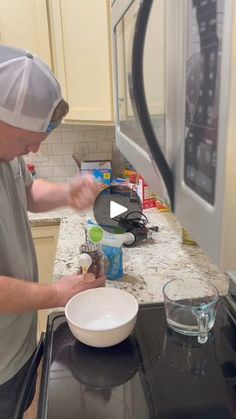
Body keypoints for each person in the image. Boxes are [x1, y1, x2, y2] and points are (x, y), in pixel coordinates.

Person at [0, 45, 105, 418]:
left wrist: (65, 192)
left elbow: (26, 191)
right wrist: (58, 292)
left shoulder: (5, 153)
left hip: (17, 342)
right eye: (29, 135)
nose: (36, 145)